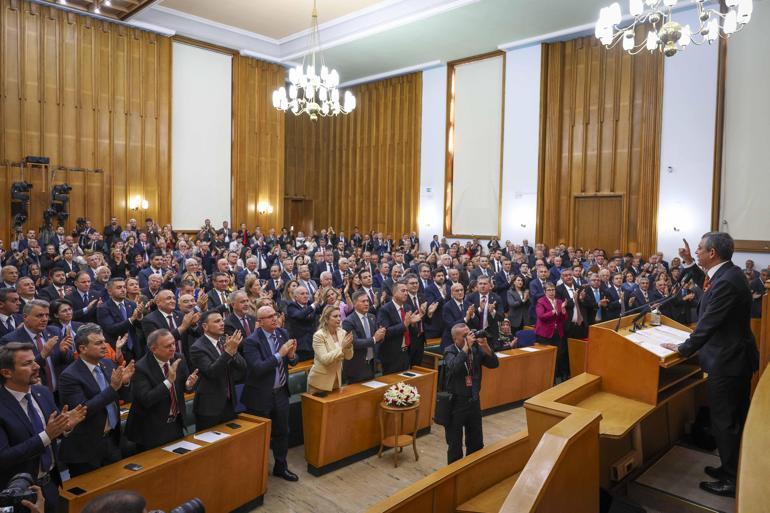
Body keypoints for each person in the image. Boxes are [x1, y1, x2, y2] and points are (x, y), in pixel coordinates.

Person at [661, 234, 759, 497]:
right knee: (732, 418)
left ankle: (730, 480)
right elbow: (709, 291)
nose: (697, 252)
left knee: (725, 421)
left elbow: (709, 320)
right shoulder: (728, 273)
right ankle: (731, 467)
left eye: (700, 250)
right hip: (734, 358)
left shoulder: (726, 281)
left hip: (728, 362)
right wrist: (691, 264)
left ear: (713, 253)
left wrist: (684, 348)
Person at [0, 342, 86, 512]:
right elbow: (3, 457)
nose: (36, 366)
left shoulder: (43, 393)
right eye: (27, 364)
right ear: (6, 372)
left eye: (34, 360)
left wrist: (65, 427)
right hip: (19, 496)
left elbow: (55, 432)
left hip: (50, 484)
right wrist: (46, 435)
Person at [58, 323, 134, 476]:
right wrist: (113, 388)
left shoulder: (107, 363)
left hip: (112, 440)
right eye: (98, 343)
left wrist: (124, 383)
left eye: (104, 341)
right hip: (86, 448)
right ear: (82, 348)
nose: (105, 346)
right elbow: (83, 410)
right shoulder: (69, 376)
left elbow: (123, 397)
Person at [241, 306, 299, 482]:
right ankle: (256, 472)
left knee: (282, 432)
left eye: (275, 315)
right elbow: (258, 368)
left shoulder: (283, 333)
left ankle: (281, 467)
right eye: (269, 317)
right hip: (260, 396)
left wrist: (291, 356)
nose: (274, 319)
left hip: (280, 392)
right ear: (259, 322)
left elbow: (293, 361)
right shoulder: (252, 341)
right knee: (260, 437)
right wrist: (279, 355)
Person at [125, 329, 198, 451]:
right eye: (168, 346)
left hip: (176, 422)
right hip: (150, 429)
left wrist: (189, 385)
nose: (173, 348)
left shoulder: (178, 358)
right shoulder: (140, 368)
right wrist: (168, 381)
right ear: (154, 349)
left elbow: (185, 387)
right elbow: (147, 399)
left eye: (174, 344)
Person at [442, 323, 499, 464]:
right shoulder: (449, 351)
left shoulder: (476, 349)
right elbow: (455, 367)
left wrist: (485, 345)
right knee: (455, 445)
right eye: (464, 335)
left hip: (474, 400)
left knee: (476, 442)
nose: (470, 337)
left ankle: (473, 471)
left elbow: (494, 364)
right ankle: (454, 476)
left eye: (470, 333)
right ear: (455, 339)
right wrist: (466, 348)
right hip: (456, 403)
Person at [189, 311, 246, 430]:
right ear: (205, 326)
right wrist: (229, 352)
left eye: (222, 320)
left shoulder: (225, 341)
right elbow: (212, 372)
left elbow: (243, 367)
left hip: (230, 403)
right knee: (211, 446)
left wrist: (234, 352)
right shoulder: (197, 347)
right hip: (209, 407)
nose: (222, 324)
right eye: (216, 321)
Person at [377, 281, 422, 373]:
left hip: (406, 352)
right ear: (394, 293)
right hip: (391, 354)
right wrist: (404, 324)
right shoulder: (385, 309)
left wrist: (413, 324)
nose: (406, 293)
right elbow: (385, 332)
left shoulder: (408, 307)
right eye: (403, 291)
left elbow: (413, 332)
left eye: (406, 291)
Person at [307, 306, 354, 394]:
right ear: (326, 319)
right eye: (335, 316)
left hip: (336, 380)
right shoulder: (319, 335)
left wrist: (348, 346)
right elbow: (325, 359)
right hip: (320, 383)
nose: (339, 319)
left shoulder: (342, 332)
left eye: (340, 316)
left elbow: (348, 357)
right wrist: (342, 347)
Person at [341, 290, 385, 383]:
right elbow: (354, 343)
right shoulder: (348, 321)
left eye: (367, 301)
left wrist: (381, 336)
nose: (366, 304)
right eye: (363, 301)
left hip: (371, 363)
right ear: (354, 303)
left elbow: (376, 339)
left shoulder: (372, 317)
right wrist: (374, 339)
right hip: (356, 366)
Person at [534, 282, 568, 382]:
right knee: (547, 358)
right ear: (544, 292)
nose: (551, 292)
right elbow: (541, 316)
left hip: (557, 332)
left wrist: (563, 311)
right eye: (549, 290)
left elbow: (563, 319)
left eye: (553, 290)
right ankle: (548, 380)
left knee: (559, 356)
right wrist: (553, 311)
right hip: (544, 334)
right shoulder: (541, 301)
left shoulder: (559, 301)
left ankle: (557, 377)